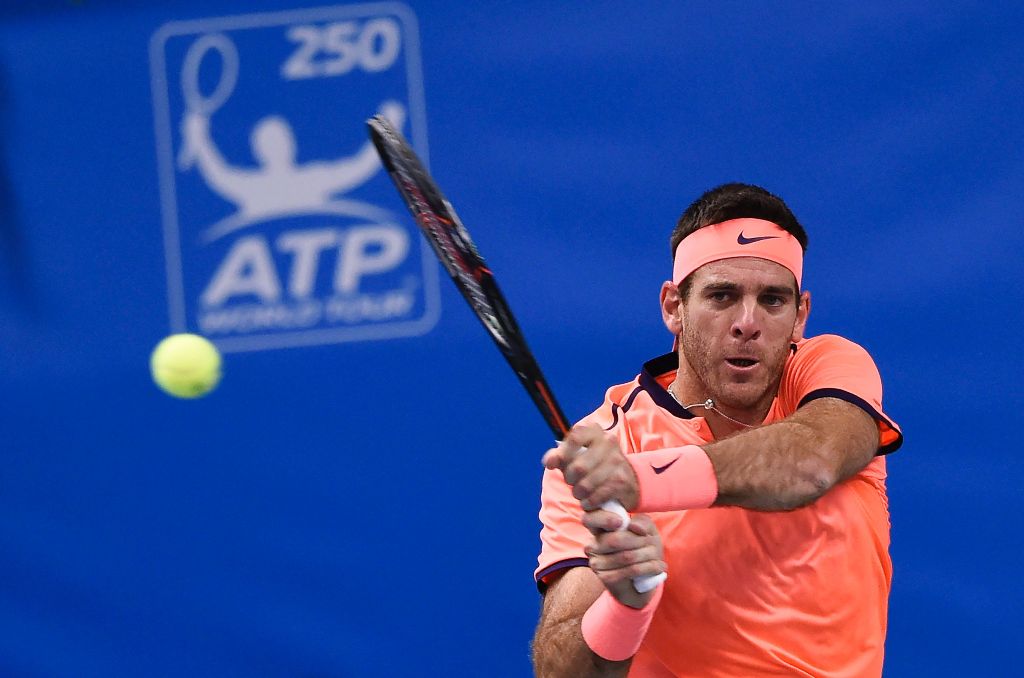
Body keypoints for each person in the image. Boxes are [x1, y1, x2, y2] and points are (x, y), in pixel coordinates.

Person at [531, 183, 903, 677]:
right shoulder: (607, 440)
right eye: (722, 295)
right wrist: (625, 606)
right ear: (673, 307)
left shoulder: (827, 370)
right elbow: (562, 674)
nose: (746, 322)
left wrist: (636, 481)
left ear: (800, 316)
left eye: (772, 300)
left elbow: (811, 461)